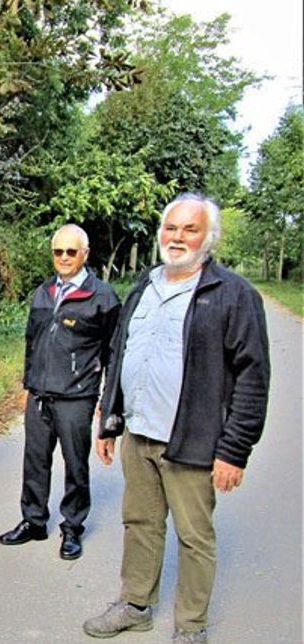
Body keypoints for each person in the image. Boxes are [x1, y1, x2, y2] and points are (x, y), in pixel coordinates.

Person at [83, 194, 270, 644]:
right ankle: (135, 604)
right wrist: (110, 419)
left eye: (191, 229)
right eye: (172, 228)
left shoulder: (233, 294)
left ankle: (190, 626)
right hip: (139, 434)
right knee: (140, 524)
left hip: (194, 440)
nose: (178, 237)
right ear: (160, 232)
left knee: (194, 536)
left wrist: (234, 450)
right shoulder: (143, 287)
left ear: (209, 238)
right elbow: (120, 353)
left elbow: (253, 375)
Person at [0, 224, 120, 560]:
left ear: (85, 253)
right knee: (34, 461)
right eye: (58, 251)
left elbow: (113, 354)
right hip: (40, 395)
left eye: (71, 251)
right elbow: (32, 343)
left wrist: (106, 402)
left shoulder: (104, 296)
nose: (64, 258)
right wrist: (28, 385)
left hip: (76, 397)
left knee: (75, 465)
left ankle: (72, 528)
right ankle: (33, 521)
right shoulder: (44, 292)